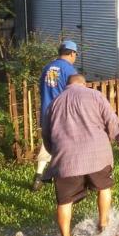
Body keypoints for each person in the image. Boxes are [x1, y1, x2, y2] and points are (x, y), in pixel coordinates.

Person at [41, 74, 119, 236]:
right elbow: (111, 121)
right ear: (83, 84)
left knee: (64, 202)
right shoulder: (95, 96)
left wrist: (56, 153)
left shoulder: (54, 103)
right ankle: (103, 224)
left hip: (66, 159)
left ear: (67, 86)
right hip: (97, 156)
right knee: (104, 188)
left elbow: (46, 135)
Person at [32, 40, 79, 191]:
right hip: (62, 114)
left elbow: (41, 89)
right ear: (72, 53)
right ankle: (64, 178)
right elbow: (74, 94)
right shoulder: (70, 71)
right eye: (75, 54)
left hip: (46, 113)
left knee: (47, 144)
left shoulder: (47, 68)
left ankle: (38, 177)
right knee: (66, 145)